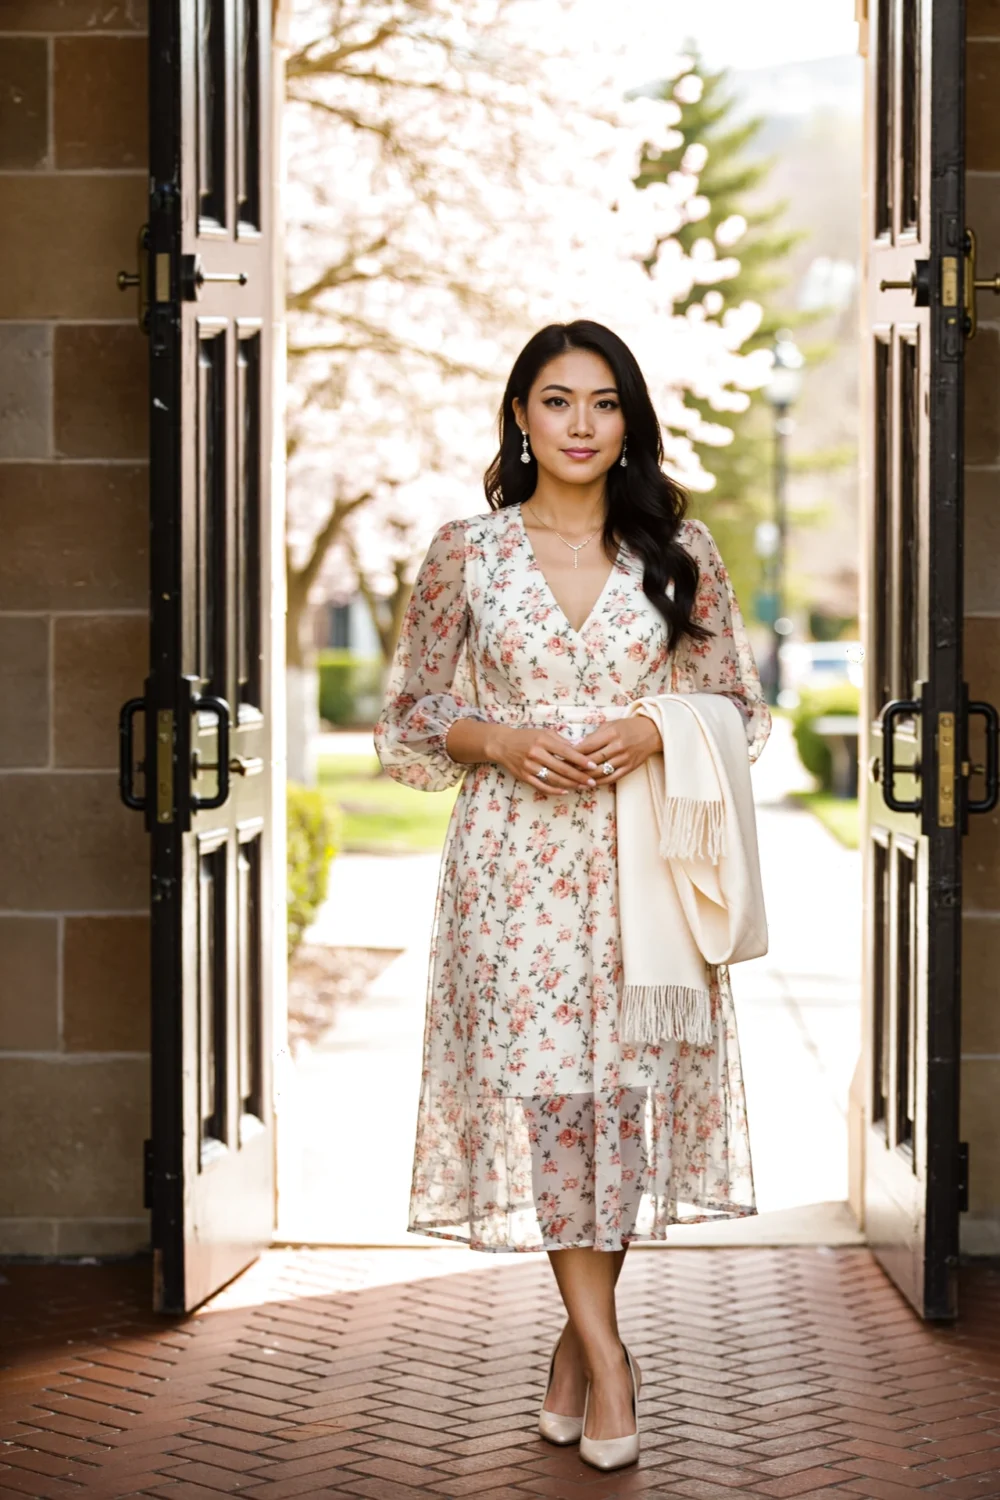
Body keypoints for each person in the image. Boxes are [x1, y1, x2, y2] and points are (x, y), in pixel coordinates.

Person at [374, 319, 771, 1471]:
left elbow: (738, 709)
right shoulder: (467, 552)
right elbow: (406, 722)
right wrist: (494, 737)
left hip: (648, 861)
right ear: (520, 417)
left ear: (629, 421)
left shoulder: (678, 550)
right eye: (558, 402)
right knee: (555, 1104)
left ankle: (573, 1347)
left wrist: (656, 722)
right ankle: (609, 1359)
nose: (582, 425)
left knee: (623, 1104)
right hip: (515, 870)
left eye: (604, 404)